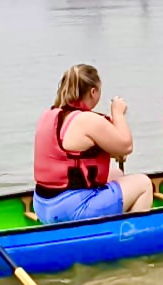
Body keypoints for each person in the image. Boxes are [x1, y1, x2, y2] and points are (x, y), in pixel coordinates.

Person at [32, 64, 153, 223]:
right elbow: (126, 146)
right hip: (69, 209)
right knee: (144, 184)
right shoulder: (87, 119)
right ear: (93, 92)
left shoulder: (51, 115)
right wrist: (118, 113)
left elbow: (83, 155)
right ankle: (130, 237)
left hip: (42, 204)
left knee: (117, 174)